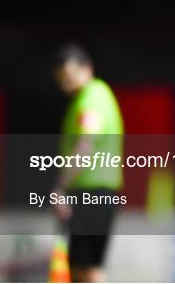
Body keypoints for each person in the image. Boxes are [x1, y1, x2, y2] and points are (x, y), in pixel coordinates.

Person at [52, 43, 124, 282]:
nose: (65, 84)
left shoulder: (92, 97)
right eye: (61, 79)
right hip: (89, 193)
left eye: (70, 77)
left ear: (87, 68)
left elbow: (85, 144)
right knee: (81, 268)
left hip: (93, 193)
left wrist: (61, 187)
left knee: (87, 268)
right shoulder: (88, 97)